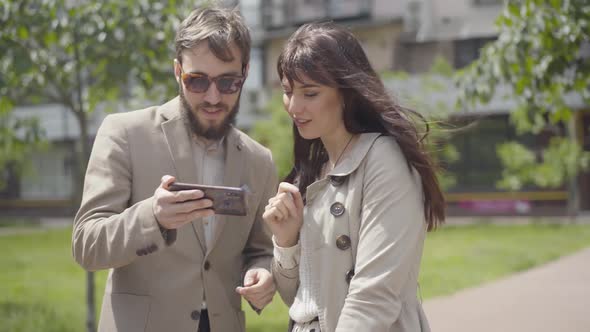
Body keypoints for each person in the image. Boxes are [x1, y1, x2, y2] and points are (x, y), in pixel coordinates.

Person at [72, 6, 277, 332]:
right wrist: (152, 217)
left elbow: (261, 250)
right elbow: (87, 245)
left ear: (246, 74)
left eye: (228, 82)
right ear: (177, 71)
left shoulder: (259, 160)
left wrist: (264, 274)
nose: (213, 97)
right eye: (197, 81)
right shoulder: (124, 133)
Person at [263, 22, 446, 332]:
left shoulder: (384, 161)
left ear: (347, 92)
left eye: (310, 93)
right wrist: (286, 240)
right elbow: (299, 298)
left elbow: (374, 294)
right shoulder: (311, 172)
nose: (294, 106)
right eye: (288, 92)